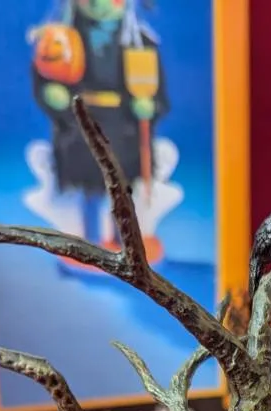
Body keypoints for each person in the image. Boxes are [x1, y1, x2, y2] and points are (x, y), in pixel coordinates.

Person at [31, 0, 169, 252]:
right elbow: (45, 72)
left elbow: (158, 91)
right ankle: (92, 242)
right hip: (83, 123)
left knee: (122, 188)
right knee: (91, 185)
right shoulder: (62, 40)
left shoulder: (140, 43)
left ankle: (124, 243)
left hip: (123, 127)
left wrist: (150, 105)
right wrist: (52, 93)